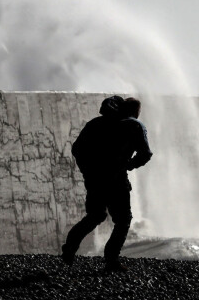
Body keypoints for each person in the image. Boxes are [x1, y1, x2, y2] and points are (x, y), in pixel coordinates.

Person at [61, 96, 152, 272]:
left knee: (95, 216)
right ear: (135, 112)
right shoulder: (134, 125)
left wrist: (88, 171)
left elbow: (77, 149)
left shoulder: (95, 124)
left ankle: (69, 250)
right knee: (123, 220)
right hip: (117, 181)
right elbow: (145, 154)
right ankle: (111, 260)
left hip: (95, 180)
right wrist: (128, 165)